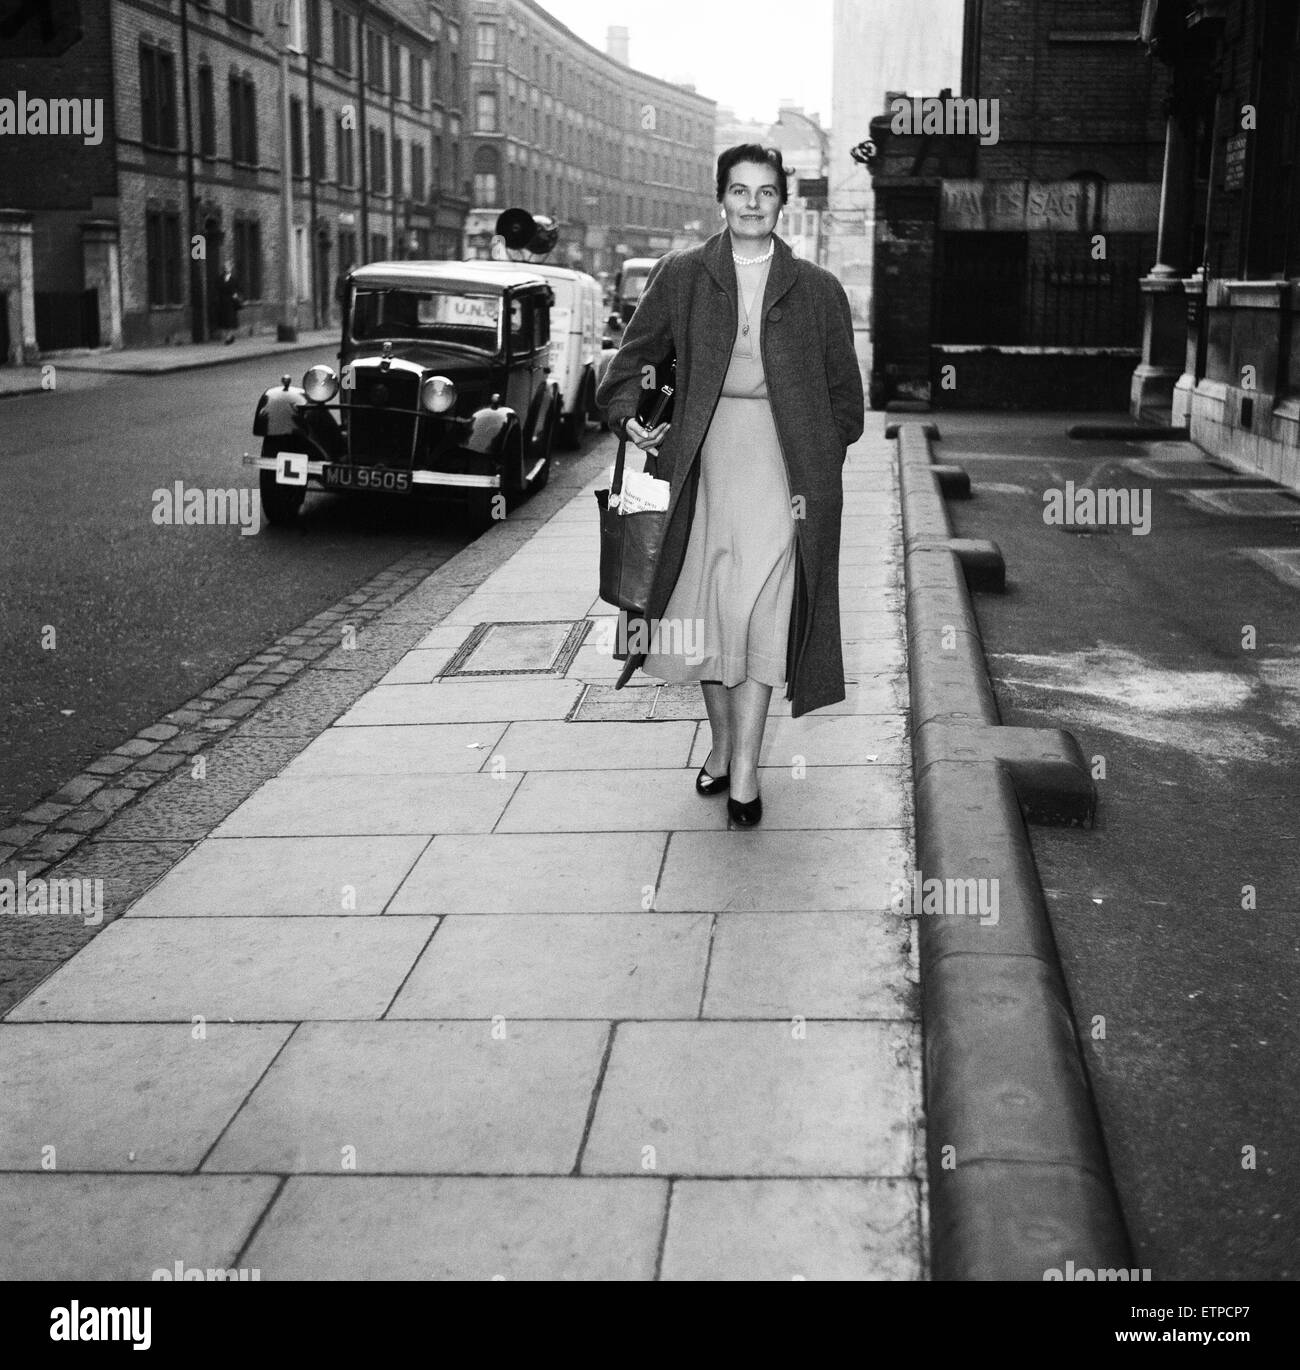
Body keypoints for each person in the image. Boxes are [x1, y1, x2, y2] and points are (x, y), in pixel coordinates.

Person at [595, 143, 864, 828]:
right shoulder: (682, 276)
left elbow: (846, 400)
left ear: (782, 201)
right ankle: (721, 746)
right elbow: (629, 366)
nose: (752, 203)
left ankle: (744, 769)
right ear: (721, 198)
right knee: (712, 614)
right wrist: (631, 419)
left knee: (760, 614)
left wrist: (821, 448)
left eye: (765, 191)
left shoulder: (819, 290)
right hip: (701, 470)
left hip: (786, 474)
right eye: (739, 191)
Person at [216, 265, 242, 344]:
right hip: (223, 302)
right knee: (224, 321)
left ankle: (228, 337)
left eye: (228, 268)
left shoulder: (234, 279)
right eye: (225, 268)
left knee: (230, 321)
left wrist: (236, 295)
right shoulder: (220, 279)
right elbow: (217, 289)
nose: (226, 269)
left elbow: (238, 289)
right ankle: (230, 336)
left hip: (231, 302)